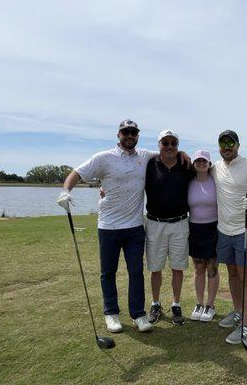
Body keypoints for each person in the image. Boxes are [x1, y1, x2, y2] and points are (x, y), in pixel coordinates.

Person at [57, 120, 189, 334]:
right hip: (108, 226)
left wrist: (182, 152)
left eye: (134, 132)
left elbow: (166, 152)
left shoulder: (144, 156)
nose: (130, 135)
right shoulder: (103, 158)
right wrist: (66, 191)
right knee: (108, 272)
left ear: (137, 135)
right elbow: (77, 173)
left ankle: (138, 314)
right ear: (119, 134)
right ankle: (111, 313)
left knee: (136, 272)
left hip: (135, 226)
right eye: (126, 132)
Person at [211, 129, 247, 344]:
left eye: (230, 144)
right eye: (222, 144)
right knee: (233, 273)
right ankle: (237, 311)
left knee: (246, 276)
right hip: (223, 230)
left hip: (246, 229)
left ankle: (246, 325)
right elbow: (195, 170)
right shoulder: (215, 168)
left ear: (238, 145)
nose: (226, 148)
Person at [145, 130, 194, 326]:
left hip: (180, 223)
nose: (170, 146)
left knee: (177, 267)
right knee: (155, 268)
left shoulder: (186, 165)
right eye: (165, 143)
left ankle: (176, 304)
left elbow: (205, 174)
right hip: (155, 223)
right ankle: (155, 304)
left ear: (178, 146)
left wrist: (186, 154)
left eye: (174, 143)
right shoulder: (149, 165)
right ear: (159, 145)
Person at [188, 150, 219, 322]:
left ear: (209, 164)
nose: (201, 163)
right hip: (194, 229)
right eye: (198, 160)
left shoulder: (216, 181)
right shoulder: (189, 182)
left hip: (213, 228)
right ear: (193, 163)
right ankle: (199, 304)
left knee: (212, 268)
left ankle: (210, 305)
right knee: (199, 269)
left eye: (204, 161)